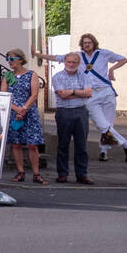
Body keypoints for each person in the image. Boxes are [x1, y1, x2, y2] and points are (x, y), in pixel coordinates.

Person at [35, 34, 127, 163]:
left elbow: (123, 59)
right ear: (82, 44)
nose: (87, 45)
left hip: (107, 91)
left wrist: (112, 70)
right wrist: (38, 55)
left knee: (109, 124)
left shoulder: (103, 53)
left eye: (89, 42)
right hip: (91, 94)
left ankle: (104, 152)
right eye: (85, 42)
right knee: (102, 125)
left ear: (94, 43)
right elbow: (57, 57)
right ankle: (126, 144)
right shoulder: (77, 56)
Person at [0, 49, 44, 183]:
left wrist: (24, 108)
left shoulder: (31, 74)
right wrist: (16, 109)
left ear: (20, 59)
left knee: (32, 144)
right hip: (13, 112)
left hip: (29, 112)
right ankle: (20, 172)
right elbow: (3, 94)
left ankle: (36, 173)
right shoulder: (7, 76)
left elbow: (34, 94)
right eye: (8, 59)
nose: (10, 62)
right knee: (16, 144)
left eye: (12, 59)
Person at [51, 52, 93, 184]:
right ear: (64, 62)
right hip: (64, 112)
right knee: (63, 144)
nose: (71, 64)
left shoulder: (84, 76)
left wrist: (72, 92)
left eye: (74, 62)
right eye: (68, 62)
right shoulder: (57, 77)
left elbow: (89, 93)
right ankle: (62, 174)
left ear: (78, 63)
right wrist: (80, 93)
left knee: (82, 145)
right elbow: (62, 95)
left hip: (81, 112)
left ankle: (82, 174)